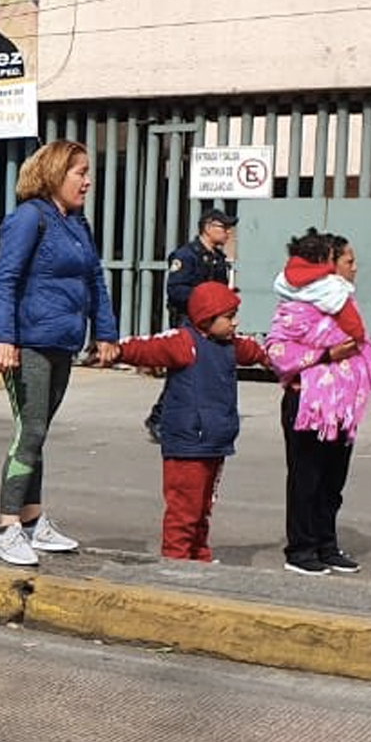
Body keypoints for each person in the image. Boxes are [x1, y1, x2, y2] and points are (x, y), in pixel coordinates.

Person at [0, 139, 118, 566]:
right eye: (80, 172)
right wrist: (3, 337)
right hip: (29, 343)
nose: (88, 181)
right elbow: (5, 279)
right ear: (55, 174)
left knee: (38, 434)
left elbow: (95, 279)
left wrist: (106, 333)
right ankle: (5, 527)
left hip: (62, 341)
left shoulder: (76, 224)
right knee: (31, 431)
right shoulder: (28, 219)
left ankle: (32, 519)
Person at [109, 283, 267, 561]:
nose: (235, 322)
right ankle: (176, 561)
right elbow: (147, 348)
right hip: (187, 443)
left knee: (204, 507)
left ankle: (199, 556)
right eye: (229, 317)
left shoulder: (230, 345)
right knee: (184, 509)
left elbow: (257, 352)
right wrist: (114, 350)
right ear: (207, 318)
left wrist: (284, 363)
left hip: (215, 442)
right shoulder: (184, 342)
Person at [264, 231, 371, 575]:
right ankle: (301, 550)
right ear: (328, 265)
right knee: (307, 479)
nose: (355, 268)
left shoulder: (344, 305)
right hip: (308, 406)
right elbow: (277, 351)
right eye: (349, 261)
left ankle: (325, 544)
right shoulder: (295, 309)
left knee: (332, 481)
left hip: (342, 408)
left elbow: (360, 345)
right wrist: (326, 354)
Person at [145, 208, 236, 441]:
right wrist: (204, 300)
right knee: (184, 370)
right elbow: (176, 290)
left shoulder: (217, 258)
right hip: (188, 321)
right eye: (223, 227)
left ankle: (187, 417)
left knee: (202, 372)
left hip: (209, 325)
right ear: (207, 227)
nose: (227, 232)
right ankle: (158, 417)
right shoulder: (186, 256)